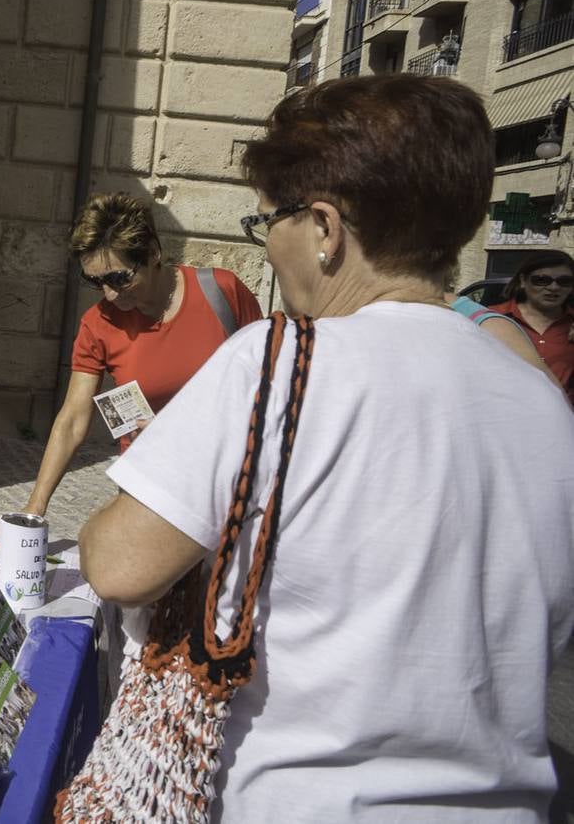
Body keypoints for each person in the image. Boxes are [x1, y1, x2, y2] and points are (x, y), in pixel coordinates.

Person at [68, 75, 574, 819]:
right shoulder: (541, 403)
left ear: (325, 229)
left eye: (269, 220)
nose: (268, 246)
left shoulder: (276, 362)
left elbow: (117, 566)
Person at [22, 193, 262, 517]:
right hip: (150, 490)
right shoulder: (98, 324)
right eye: (95, 281)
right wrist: (35, 507)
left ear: (152, 253)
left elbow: (267, 388)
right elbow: (73, 419)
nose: (108, 293)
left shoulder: (223, 293)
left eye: (119, 278)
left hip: (225, 484)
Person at [488, 250, 574, 403]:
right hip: (504, 414)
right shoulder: (490, 319)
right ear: (523, 281)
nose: (554, 287)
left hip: (562, 418)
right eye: (542, 280)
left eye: (564, 281)